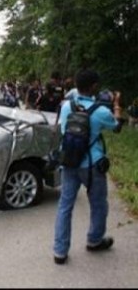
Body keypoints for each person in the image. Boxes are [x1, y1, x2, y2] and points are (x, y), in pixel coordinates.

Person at [53, 69, 123, 265]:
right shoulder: (100, 111)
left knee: (65, 205)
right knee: (99, 204)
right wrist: (116, 104)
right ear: (94, 87)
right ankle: (94, 240)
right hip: (92, 165)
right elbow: (117, 127)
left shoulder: (67, 106)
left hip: (69, 162)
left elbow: (62, 129)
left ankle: (60, 251)